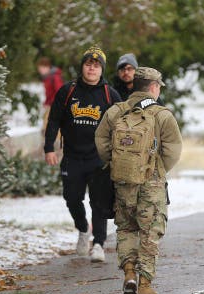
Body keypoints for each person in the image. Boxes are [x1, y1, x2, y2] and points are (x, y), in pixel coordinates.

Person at [95, 67, 182, 294]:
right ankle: (144, 283)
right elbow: (173, 150)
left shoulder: (116, 111)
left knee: (126, 228)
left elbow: (101, 140)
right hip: (151, 183)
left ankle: (129, 274)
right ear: (154, 87)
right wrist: (157, 169)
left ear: (135, 85)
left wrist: (116, 163)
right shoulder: (162, 115)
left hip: (123, 181)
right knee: (150, 230)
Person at [44, 46, 122, 262]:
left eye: (96, 66)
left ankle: (98, 243)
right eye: (88, 64)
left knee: (99, 202)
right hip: (72, 157)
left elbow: (122, 125)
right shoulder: (68, 91)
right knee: (71, 198)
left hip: (99, 158)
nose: (91, 69)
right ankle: (82, 229)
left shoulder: (110, 95)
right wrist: (49, 148)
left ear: (102, 70)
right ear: (82, 67)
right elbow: (53, 121)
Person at [37, 57, 64, 134]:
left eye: (42, 68)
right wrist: (46, 102)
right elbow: (49, 93)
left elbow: (60, 91)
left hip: (55, 104)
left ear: (47, 67)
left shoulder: (55, 77)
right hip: (51, 104)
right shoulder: (47, 77)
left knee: (50, 124)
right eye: (39, 68)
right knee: (46, 123)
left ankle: (55, 142)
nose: (40, 70)